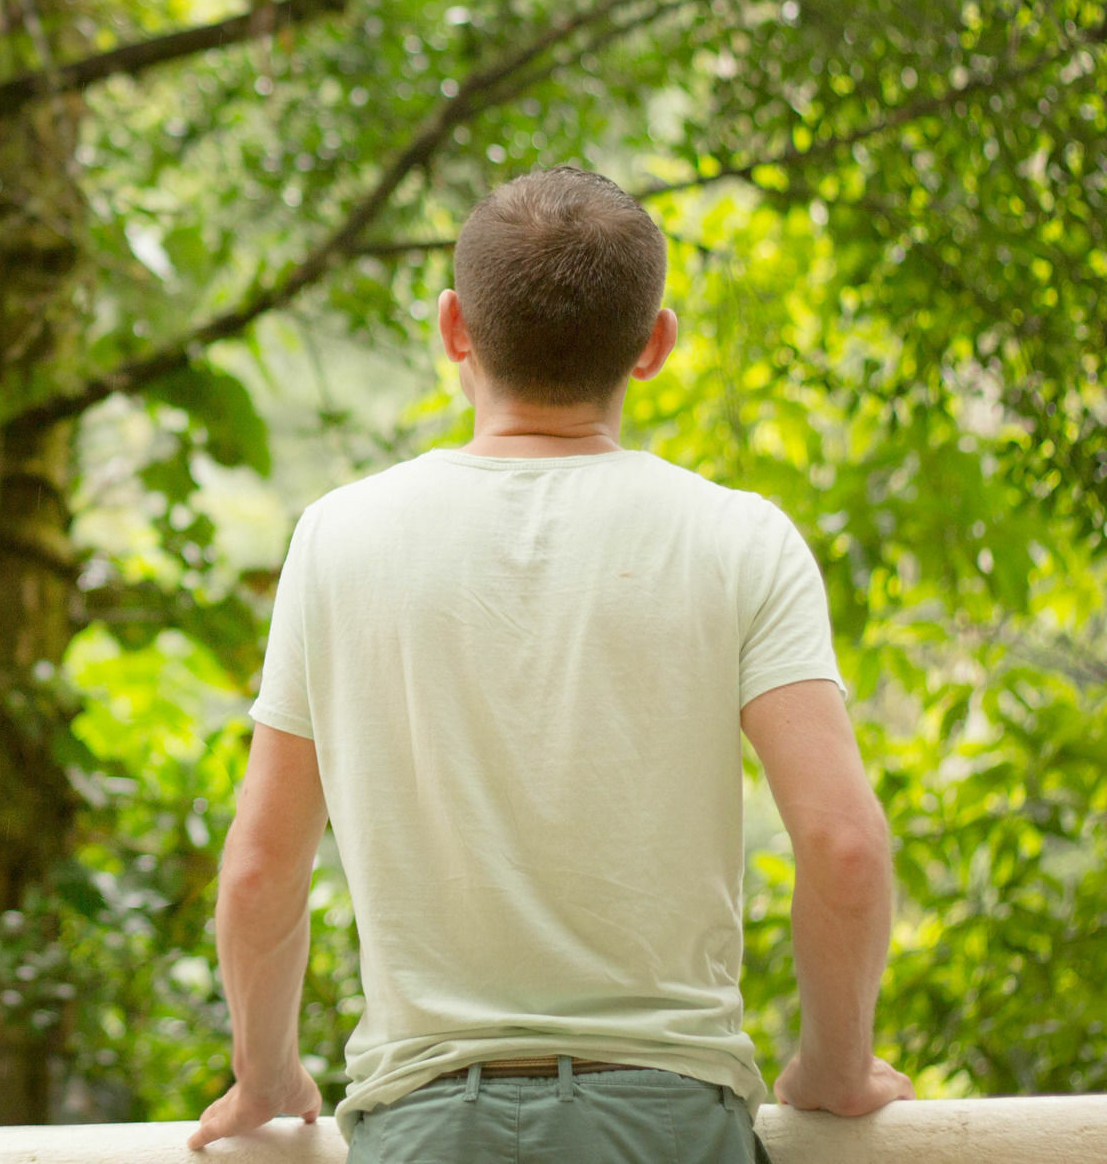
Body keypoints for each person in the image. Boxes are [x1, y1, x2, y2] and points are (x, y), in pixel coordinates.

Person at [186, 167, 913, 1161]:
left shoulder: (337, 539)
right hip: (671, 1123)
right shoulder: (739, 538)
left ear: (452, 329)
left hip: (425, 1127)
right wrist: (834, 1066)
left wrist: (263, 1073)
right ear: (653, 343)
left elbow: (263, 864)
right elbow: (843, 847)